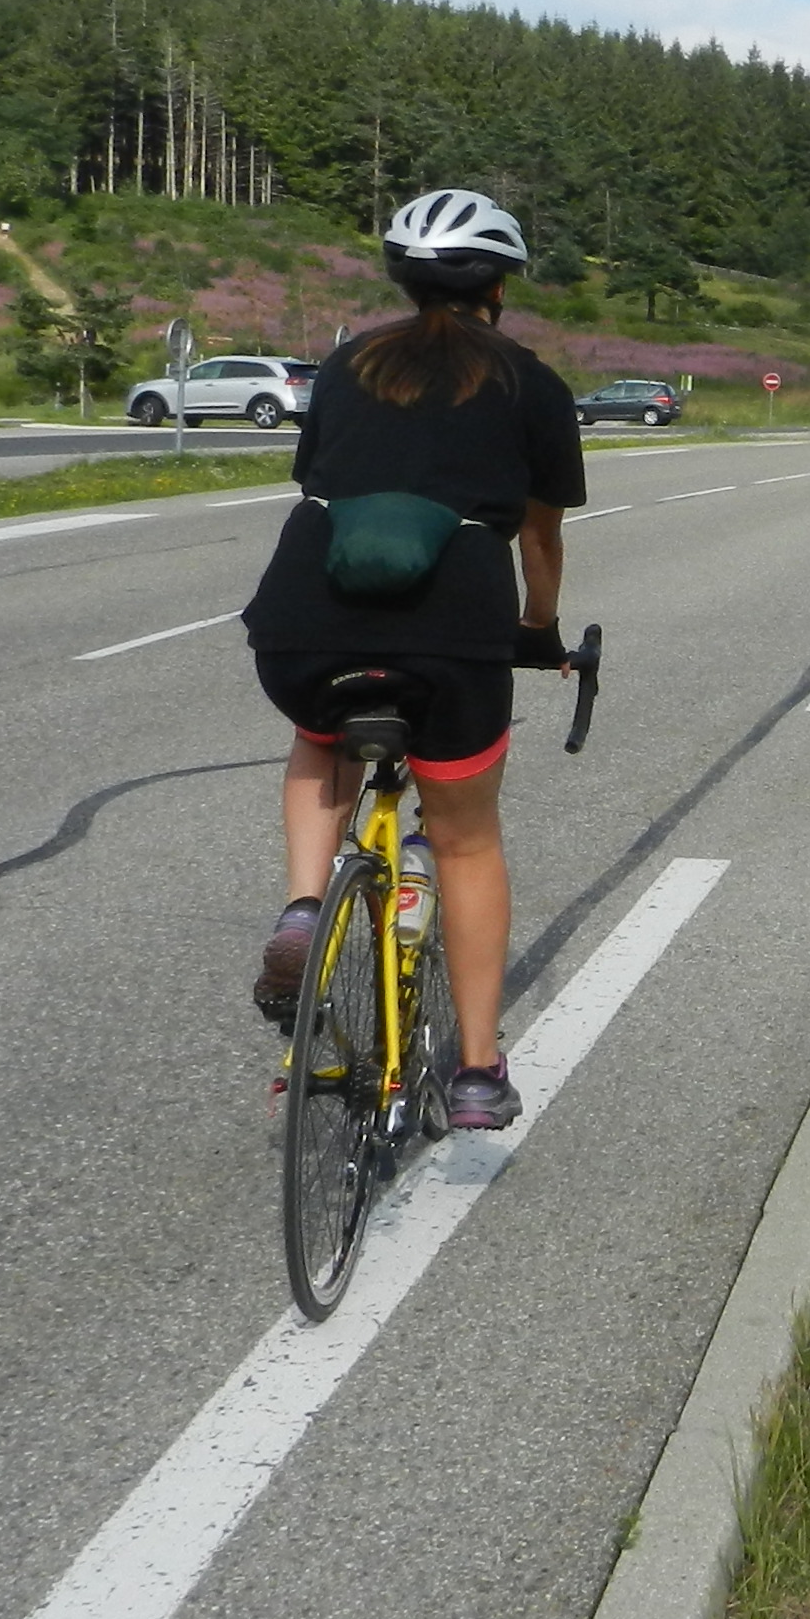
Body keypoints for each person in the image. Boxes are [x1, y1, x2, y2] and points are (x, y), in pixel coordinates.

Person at [239, 188, 584, 1132]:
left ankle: (307, 907)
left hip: (308, 616)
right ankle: (476, 1072)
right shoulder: (532, 385)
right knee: (467, 840)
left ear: (401, 276)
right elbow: (540, 542)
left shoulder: (349, 364)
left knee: (321, 734)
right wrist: (538, 633)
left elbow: (318, 484)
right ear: (500, 284)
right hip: (454, 631)